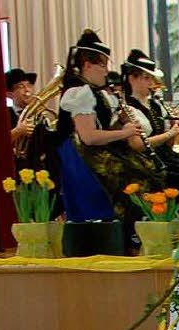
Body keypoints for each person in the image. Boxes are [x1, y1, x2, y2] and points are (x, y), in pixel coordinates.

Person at [57, 29, 162, 233]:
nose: (106, 71)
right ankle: (130, 233)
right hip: (82, 155)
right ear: (87, 65)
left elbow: (102, 128)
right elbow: (89, 137)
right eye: (103, 65)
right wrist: (126, 132)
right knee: (131, 178)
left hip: (99, 149)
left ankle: (140, 233)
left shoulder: (96, 93)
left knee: (149, 170)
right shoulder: (78, 92)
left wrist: (121, 122)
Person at [122, 49, 179, 239]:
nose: (150, 84)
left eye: (151, 79)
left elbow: (170, 143)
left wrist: (174, 127)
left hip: (165, 154)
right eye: (146, 78)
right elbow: (138, 145)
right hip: (145, 159)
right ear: (132, 78)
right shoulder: (127, 108)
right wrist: (169, 133)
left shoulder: (155, 104)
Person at [7, 68, 37, 149]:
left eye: (29, 85)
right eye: (21, 86)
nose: (27, 90)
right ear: (10, 94)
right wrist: (18, 131)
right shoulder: (4, 114)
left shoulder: (39, 113)